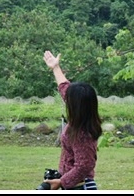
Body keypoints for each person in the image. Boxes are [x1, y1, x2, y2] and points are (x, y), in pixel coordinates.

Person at [41, 50, 102, 190]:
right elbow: (64, 88)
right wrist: (55, 67)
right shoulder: (81, 117)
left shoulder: (82, 133)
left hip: (80, 187)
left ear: (75, 106)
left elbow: (85, 165)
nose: (65, 99)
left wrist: (61, 182)